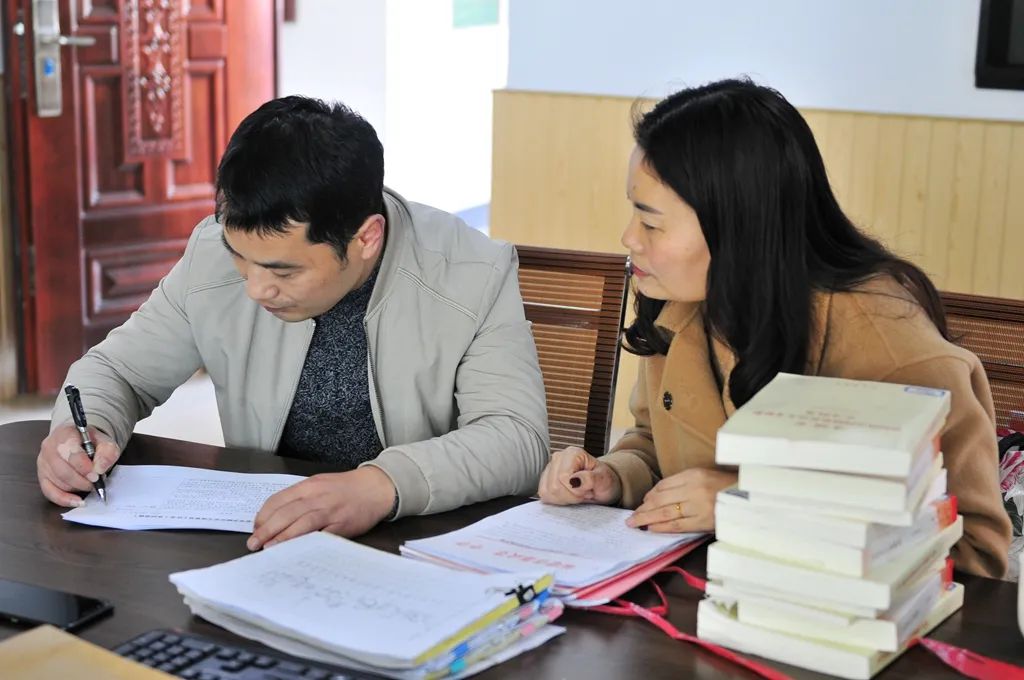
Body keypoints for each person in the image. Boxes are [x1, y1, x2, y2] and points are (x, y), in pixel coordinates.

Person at [537, 78, 1011, 578]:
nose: (629, 238)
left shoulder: (885, 340)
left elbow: (973, 553)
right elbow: (656, 444)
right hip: (709, 591)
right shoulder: (683, 300)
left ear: (738, 225)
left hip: (821, 617)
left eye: (651, 224)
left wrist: (749, 504)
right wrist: (612, 477)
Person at [38, 96, 549, 550]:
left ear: (366, 238)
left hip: (420, 542)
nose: (256, 288)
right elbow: (118, 372)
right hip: (268, 536)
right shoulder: (211, 254)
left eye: (283, 271)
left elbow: (516, 437)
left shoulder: (472, 272)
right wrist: (81, 432)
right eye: (240, 257)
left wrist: (381, 485)